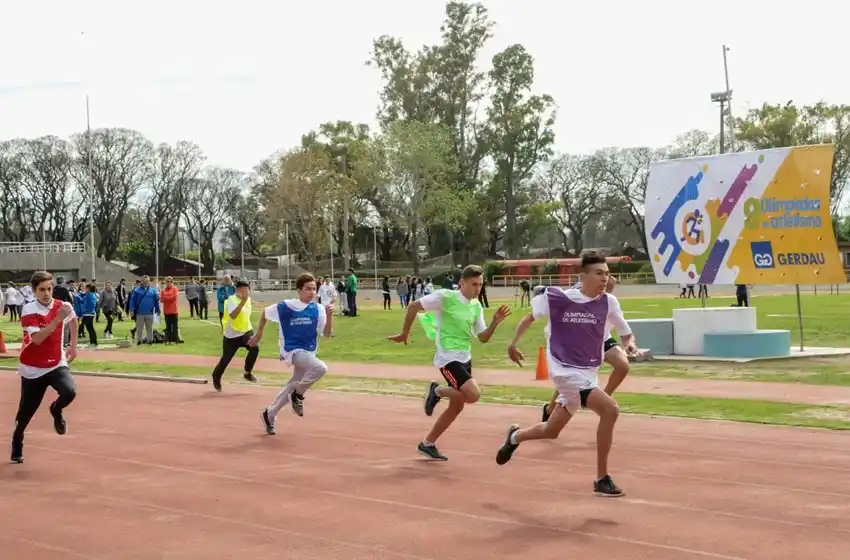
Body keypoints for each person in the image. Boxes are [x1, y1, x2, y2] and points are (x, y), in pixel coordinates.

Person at [495, 252, 634, 498]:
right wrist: (512, 343)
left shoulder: (609, 302)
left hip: (588, 372)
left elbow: (625, 332)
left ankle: (514, 437)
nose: (605, 278)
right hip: (564, 371)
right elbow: (529, 318)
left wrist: (629, 344)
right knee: (611, 410)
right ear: (583, 276)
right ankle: (601, 478)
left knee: (551, 429)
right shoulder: (558, 298)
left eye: (607, 273)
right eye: (599, 273)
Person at [387, 264, 511, 461]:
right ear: (461, 283)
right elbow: (413, 307)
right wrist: (404, 333)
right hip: (447, 358)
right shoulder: (445, 297)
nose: (477, 288)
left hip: (465, 358)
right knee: (472, 395)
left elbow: (483, 338)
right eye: (473, 284)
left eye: (480, 284)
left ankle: (427, 443)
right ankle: (437, 391)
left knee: (457, 405)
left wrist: (495, 322)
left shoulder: (476, 306)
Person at [540, 276, 637, 422]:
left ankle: (605, 397)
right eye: (605, 287)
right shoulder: (576, 293)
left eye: (610, 288)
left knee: (622, 365)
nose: (607, 291)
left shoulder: (609, 300)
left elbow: (624, 328)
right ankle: (550, 408)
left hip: (602, 338)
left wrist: (629, 343)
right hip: (580, 341)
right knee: (572, 380)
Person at [251, 273, 333, 435]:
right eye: (308, 289)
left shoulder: (318, 309)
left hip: (309, 351)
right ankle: (297, 394)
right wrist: (259, 334)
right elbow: (265, 312)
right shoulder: (286, 306)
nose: (311, 292)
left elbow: (327, 334)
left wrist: (330, 316)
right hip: (292, 350)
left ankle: (270, 414)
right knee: (321, 368)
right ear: (299, 290)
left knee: (294, 382)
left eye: (314, 289)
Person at [11, 271, 78, 464]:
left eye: (49, 289)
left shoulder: (62, 306)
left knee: (70, 391)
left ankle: (56, 410)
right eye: (42, 290)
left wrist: (73, 346)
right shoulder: (29, 310)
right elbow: (38, 339)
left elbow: (73, 320)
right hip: (32, 368)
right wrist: (57, 320)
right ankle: (17, 440)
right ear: (34, 291)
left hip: (56, 363)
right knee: (26, 412)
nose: (47, 293)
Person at [210, 280, 260, 391]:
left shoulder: (248, 299)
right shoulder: (231, 300)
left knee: (255, 348)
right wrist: (242, 302)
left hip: (246, 331)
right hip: (231, 335)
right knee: (226, 359)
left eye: (248, 290)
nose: (247, 293)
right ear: (238, 290)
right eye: (245, 290)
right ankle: (216, 376)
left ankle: (247, 372)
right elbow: (233, 315)